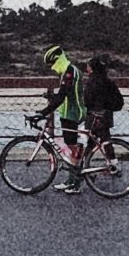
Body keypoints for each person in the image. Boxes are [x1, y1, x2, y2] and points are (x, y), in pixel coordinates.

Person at [38, 45, 89, 193]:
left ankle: (75, 180)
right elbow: (67, 94)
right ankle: (73, 178)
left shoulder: (70, 72)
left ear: (58, 60)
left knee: (73, 147)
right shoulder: (69, 71)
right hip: (69, 112)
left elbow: (63, 96)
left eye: (52, 64)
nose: (52, 68)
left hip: (72, 113)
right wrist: (52, 98)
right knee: (71, 146)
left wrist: (44, 112)